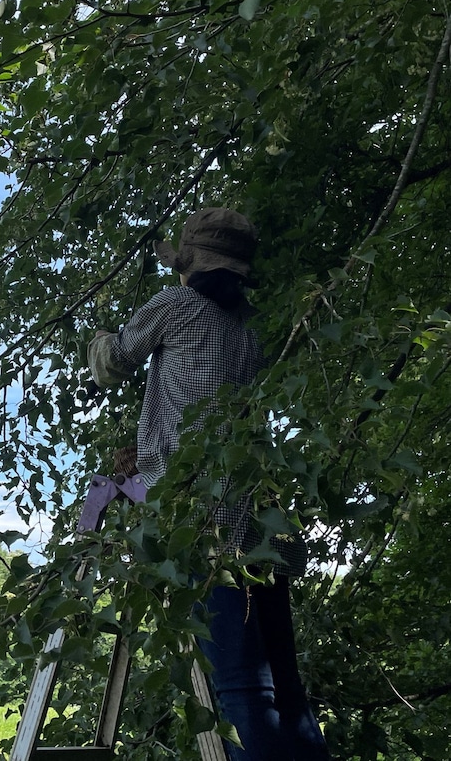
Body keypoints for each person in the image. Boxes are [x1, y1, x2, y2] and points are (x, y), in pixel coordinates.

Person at [88, 207, 329, 761]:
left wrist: (101, 332)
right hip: (259, 521)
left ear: (189, 266)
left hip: (198, 521)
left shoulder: (176, 306)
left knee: (242, 685)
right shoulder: (253, 327)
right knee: (284, 689)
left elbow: (113, 363)